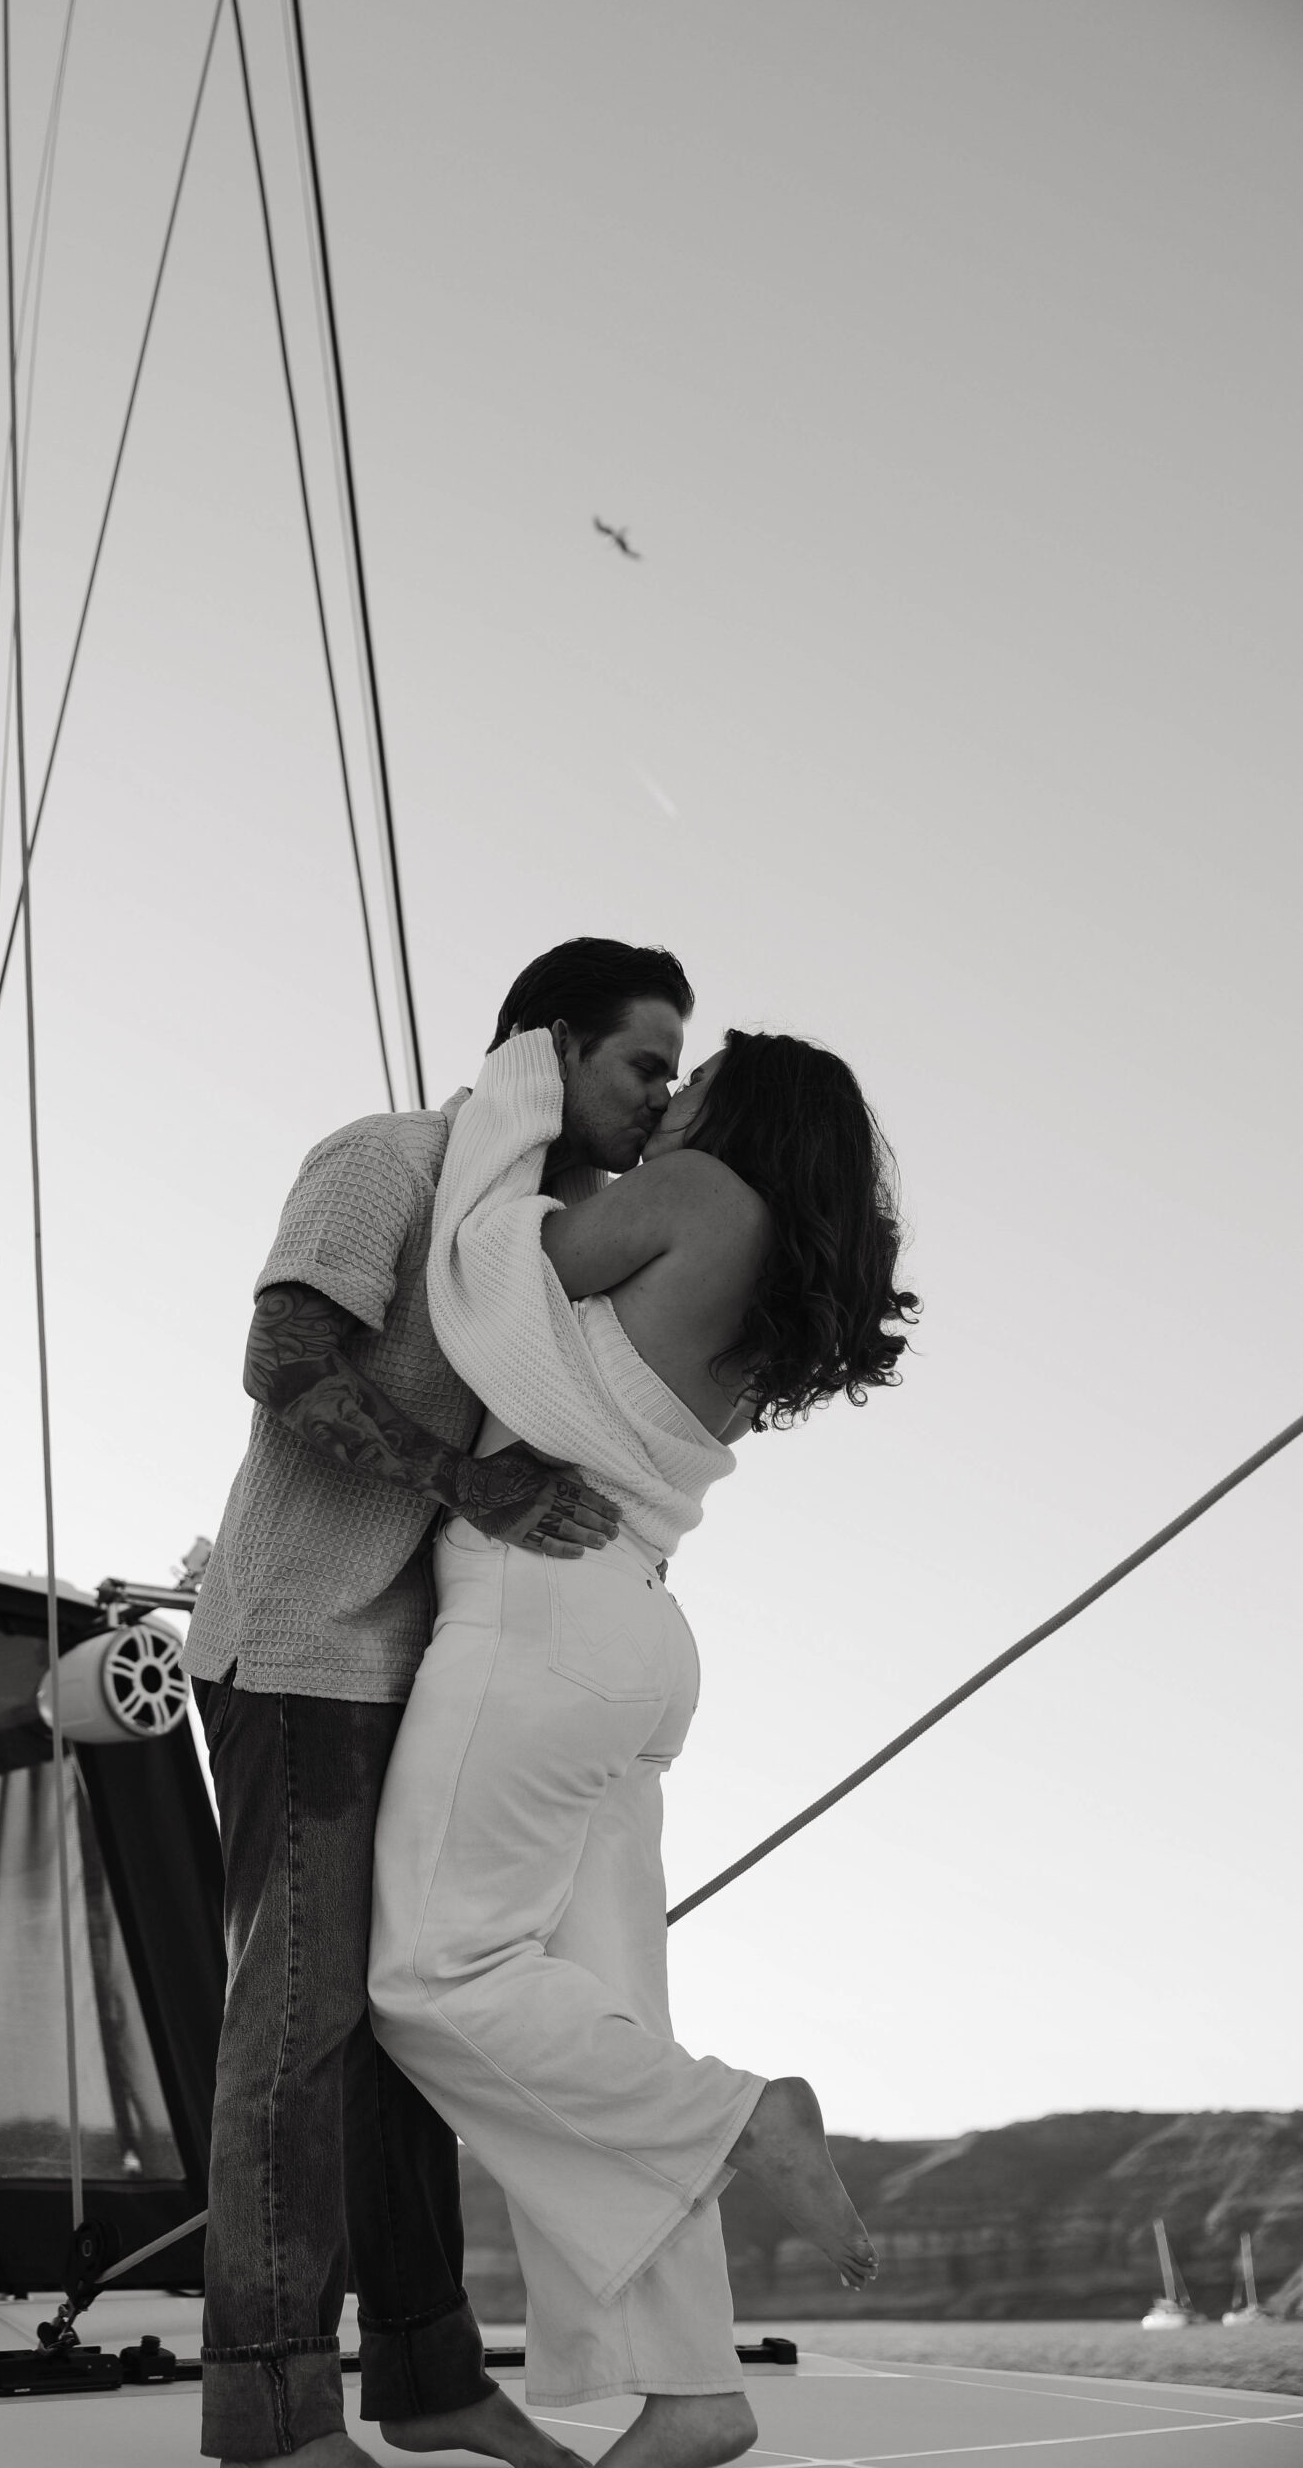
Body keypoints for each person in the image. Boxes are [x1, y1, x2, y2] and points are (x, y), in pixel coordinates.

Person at [368, 1023, 919, 2468]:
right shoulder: (768, 1261)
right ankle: (690, 2387)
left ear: (753, 1111)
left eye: (700, 1074)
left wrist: (515, 1092)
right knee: (603, 2022)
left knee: (431, 1975)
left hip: (540, 1625)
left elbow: (488, 1287)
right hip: (636, 1642)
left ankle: (743, 2119)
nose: (675, 1097)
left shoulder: (697, 1200)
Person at [182, 938, 696, 2468]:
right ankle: (273, 2412)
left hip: (421, 1677)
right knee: (299, 2030)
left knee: (420, 2032)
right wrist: (469, 1477)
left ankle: (426, 2376)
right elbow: (282, 1362)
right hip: (296, 1651)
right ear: (548, 1052)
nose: (662, 1100)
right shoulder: (386, 1160)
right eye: (644, 1065)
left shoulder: (536, 1233)